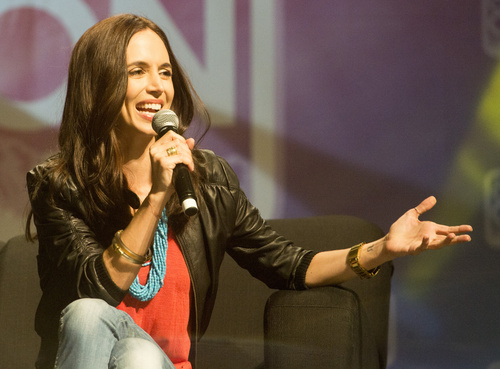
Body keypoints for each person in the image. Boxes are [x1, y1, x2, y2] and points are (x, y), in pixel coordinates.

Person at [25, 13, 472, 369]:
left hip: (164, 365)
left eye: (164, 71)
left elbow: (289, 264)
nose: (157, 87)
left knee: (142, 358)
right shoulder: (60, 185)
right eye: (136, 71)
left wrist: (380, 250)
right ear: (99, 84)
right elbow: (97, 290)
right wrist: (156, 197)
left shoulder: (208, 181)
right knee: (88, 316)